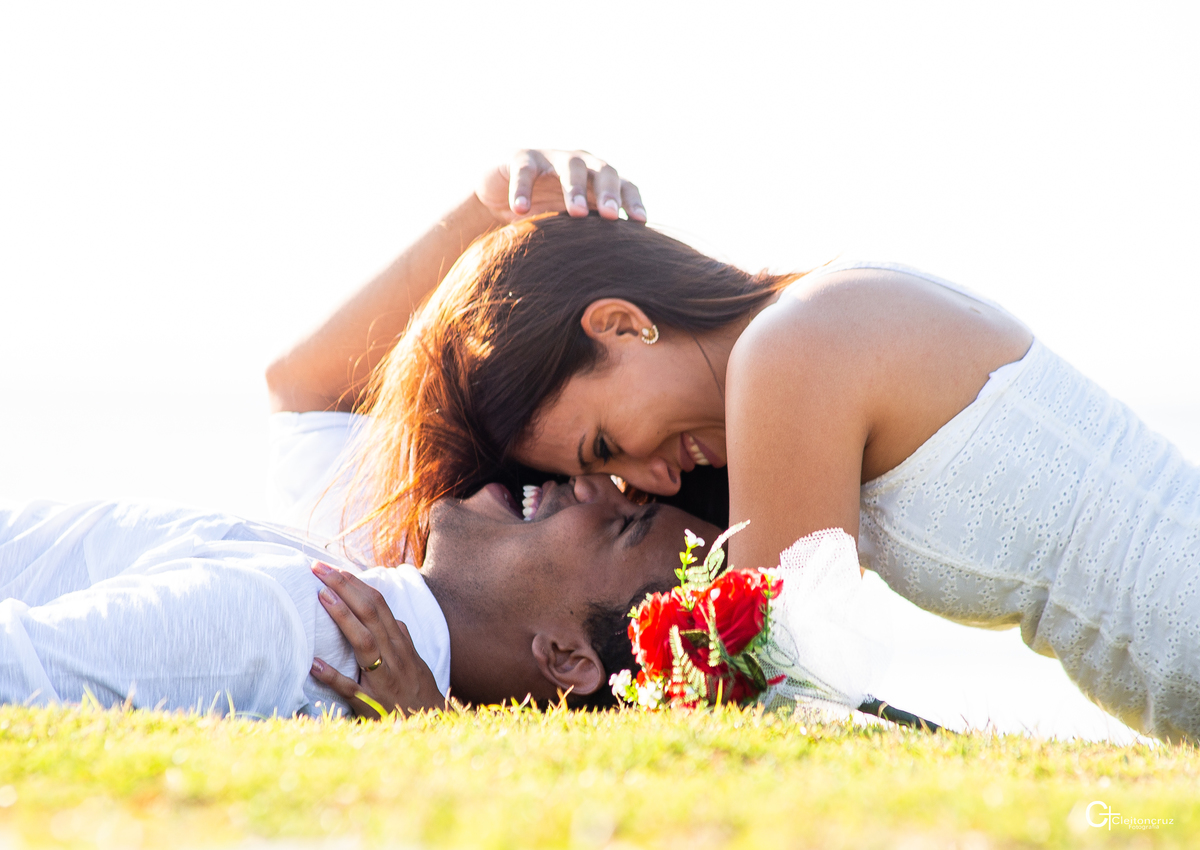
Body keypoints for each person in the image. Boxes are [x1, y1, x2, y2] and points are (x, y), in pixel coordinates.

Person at [279, 153, 1198, 742]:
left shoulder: (794, 351)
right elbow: (312, 392)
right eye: (593, 474)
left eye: (605, 441)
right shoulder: (805, 334)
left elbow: (765, 717)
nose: (635, 483)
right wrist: (489, 216)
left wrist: (440, 731)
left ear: (623, 324)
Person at [0, 475, 718, 716]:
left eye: (625, 524)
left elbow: (17, 675)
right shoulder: (355, 588)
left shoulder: (302, 627)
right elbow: (306, 389)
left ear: (565, 657)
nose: (593, 484)